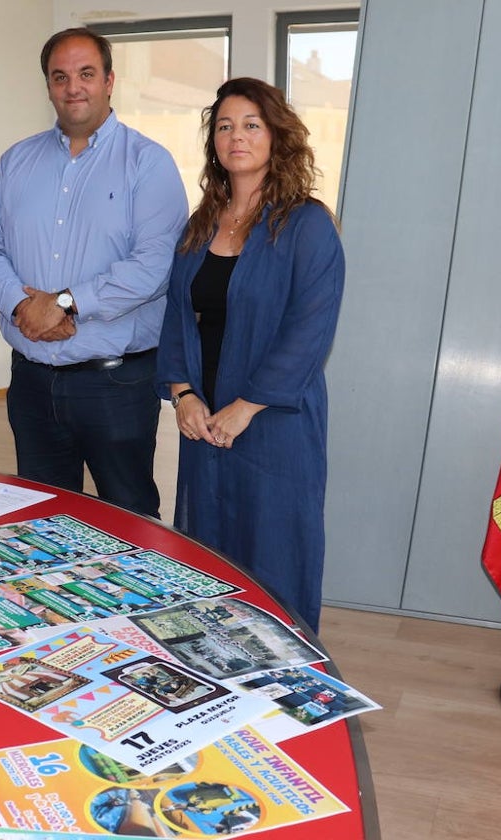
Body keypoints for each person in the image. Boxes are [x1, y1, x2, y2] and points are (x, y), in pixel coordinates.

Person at [0, 28, 188, 517]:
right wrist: (25, 305)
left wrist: (65, 303)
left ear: (110, 81)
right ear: (47, 85)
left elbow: (154, 265)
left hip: (116, 385)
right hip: (31, 384)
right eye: (60, 76)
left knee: (129, 520)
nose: (74, 88)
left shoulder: (148, 164)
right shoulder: (15, 162)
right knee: (40, 525)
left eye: (86, 74)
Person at [157, 77, 344, 632]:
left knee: (276, 548)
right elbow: (174, 314)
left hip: (273, 423)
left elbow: (310, 329)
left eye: (251, 125)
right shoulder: (200, 225)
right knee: (210, 553)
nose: (236, 136)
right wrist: (183, 394)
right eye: (224, 126)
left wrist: (248, 405)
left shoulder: (307, 224)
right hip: (206, 423)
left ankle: (286, 672)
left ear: (275, 136)